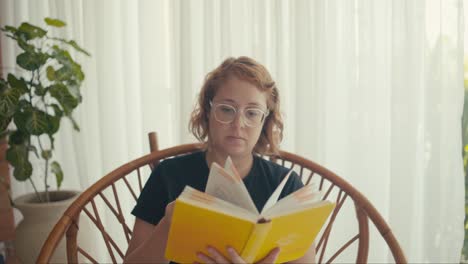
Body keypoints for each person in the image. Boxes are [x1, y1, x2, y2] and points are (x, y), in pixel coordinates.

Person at [124, 57, 316, 263]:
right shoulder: (168, 175)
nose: (238, 124)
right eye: (226, 109)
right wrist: (169, 224)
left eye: (252, 113)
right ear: (208, 112)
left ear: (264, 121)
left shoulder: (287, 185)